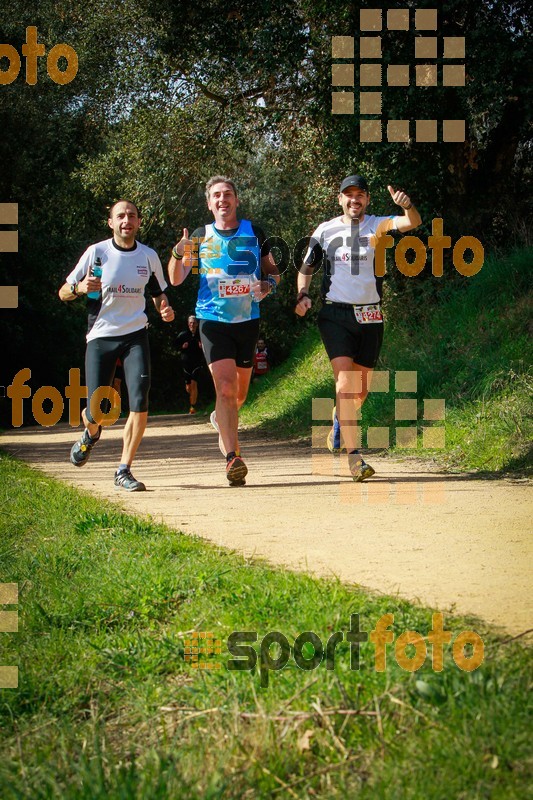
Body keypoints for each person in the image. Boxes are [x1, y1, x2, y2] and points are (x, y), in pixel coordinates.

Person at [295, 176, 422, 481]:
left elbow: (412, 223)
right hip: (335, 315)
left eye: (360, 195)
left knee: (360, 391)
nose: (355, 200)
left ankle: (340, 419)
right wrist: (302, 294)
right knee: (344, 385)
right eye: (348, 195)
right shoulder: (325, 230)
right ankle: (355, 459)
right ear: (339, 199)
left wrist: (408, 205)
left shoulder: (377, 224)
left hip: (370, 317)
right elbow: (306, 269)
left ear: (367, 199)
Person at [168, 175, 279, 486]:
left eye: (227, 194)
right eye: (216, 195)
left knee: (239, 395)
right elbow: (176, 279)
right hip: (212, 321)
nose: (222, 200)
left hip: (247, 321)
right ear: (209, 203)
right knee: (226, 389)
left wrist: (268, 285)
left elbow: (274, 273)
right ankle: (233, 458)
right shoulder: (200, 237)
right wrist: (178, 253)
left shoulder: (255, 233)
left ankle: (220, 419)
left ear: (236, 200)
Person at [59, 200, 175, 491]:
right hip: (101, 336)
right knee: (96, 411)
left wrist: (164, 309)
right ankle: (91, 434)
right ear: (111, 222)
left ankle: (124, 469)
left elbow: (158, 294)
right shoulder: (97, 253)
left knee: (140, 400)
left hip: (136, 334)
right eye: (120, 216)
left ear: (138, 222)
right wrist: (79, 288)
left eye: (132, 216)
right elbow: (63, 292)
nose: (127, 220)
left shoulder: (148, 256)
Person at [176, 315, 205, 413]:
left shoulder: (201, 335)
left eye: (194, 323)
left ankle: (192, 407)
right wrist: (182, 346)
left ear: (197, 324)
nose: (192, 325)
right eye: (190, 323)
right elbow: (175, 346)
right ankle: (192, 400)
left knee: (194, 383)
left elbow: (208, 347)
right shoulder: (183, 335)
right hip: (186, 364)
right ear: (188, 324)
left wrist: (202, 347)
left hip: (197, 363)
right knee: (188, 387)